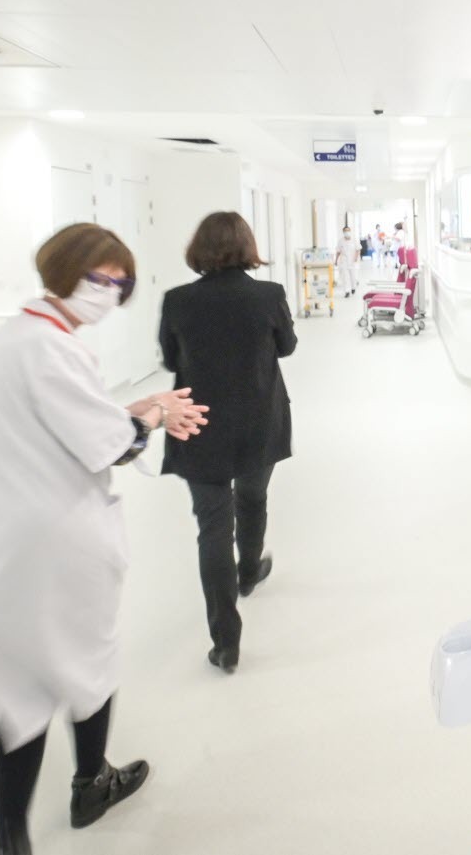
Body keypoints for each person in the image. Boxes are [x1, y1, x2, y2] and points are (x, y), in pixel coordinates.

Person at [0, 223, 210, 855]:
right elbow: (112, 444)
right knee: (85, 661)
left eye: (120, 284)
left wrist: (139, 406)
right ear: (63, 270)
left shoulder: (13, 340)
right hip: (57, 538)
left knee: (20, 683)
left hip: (6, 538)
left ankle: (12, 835)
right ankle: (92, 783)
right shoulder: (53, 350)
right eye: (101, 279)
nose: (110, 293)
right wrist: (155, 416)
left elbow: (70, 423)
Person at [159, 212, 298, 675]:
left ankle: (226, 642)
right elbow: (287, 347)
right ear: (247, 246)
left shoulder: (177, 300)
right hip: (259, 418)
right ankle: (249, 570)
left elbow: (170, 358)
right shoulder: (268, 295)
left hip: (198, 424)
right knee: (253, 496)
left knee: (212, 527)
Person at [334, 223, 361, 297]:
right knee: (345, 276)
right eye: (345, 231)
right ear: (343, 232)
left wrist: (356, 257)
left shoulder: (354, 240)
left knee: (353, 275)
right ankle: (347, 291)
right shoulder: (340, 241)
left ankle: (353, 287)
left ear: (350, 231)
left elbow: (358, 249)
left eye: (348, 230)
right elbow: (338, 251)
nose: (347, 232)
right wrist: (336, 260)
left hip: (352, 260)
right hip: (344, 261)